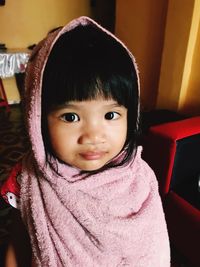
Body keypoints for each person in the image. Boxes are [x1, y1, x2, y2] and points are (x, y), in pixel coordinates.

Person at [0, 16, 170, 266]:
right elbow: (19, 241)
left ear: (130, 116)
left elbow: (153, 249)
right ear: (36, 117)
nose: (93, 136)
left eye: (111, 115)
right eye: (70, 117)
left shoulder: (139, 181)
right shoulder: (26, 178)